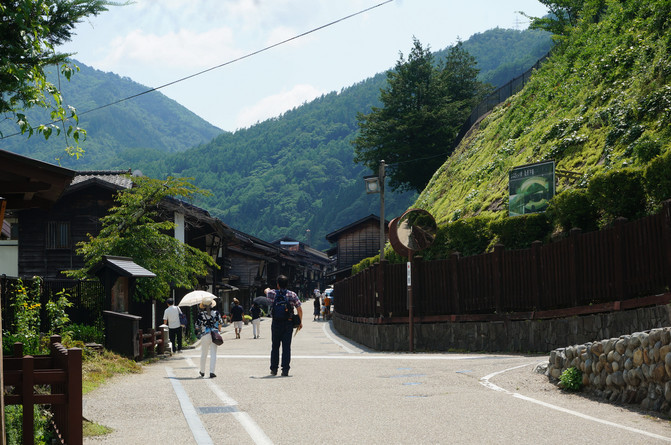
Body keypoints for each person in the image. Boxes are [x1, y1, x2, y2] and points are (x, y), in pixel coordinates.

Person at [265, 275, 302, 376]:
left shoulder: (272, 293)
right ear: (287, 284)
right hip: (288, 323)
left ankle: (274, 369)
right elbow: (299, 309)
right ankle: (285, 370)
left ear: (277, 284)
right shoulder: (292, 294)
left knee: (275, 346)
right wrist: (300, 322)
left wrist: (268, 289)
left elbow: (266, 291)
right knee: (286, 347)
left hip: (276, 323)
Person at [195, 296, 223, 378]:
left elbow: (197, 326)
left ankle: (202, 371)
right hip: (214, 335)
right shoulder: (216, 313)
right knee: (213, 354)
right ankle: (211, 372)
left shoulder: (200, 314)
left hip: (205, 335)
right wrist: (218, 331)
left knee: (204, 353)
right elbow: (220, 322)